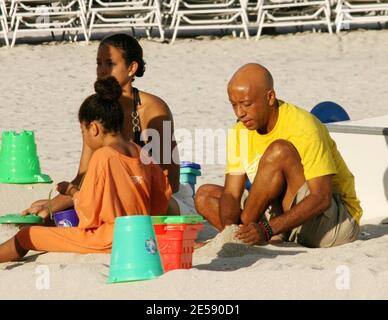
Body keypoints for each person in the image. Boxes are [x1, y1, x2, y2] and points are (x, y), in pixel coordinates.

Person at [22, 33, 194, 219]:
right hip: (115, 196)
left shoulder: (153, 109)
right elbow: (83, 175)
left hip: (163, 200)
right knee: (59, 216)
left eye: (110, 64)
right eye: (98, 63)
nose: (102, 70)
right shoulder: (96, 109)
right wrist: (52, 205)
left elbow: (171, 181)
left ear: (132, 68)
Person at [0, 77, 171, 262]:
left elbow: (89, 212)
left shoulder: (103, 156)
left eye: (83, 131)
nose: (84, 137)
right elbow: (162, 197)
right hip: (143, 235)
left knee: (27, 236)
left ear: (94, 128)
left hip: (111, 239)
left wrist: (72, 191)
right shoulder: (140, 152)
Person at [195, 63, 362, 248]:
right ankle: (242, 237)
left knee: (279, 151)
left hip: (332, 221)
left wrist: (266, 229)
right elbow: (231, 194)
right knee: (204, 196)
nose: (240, 113)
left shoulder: (304, 126)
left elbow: (321, 198)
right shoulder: (238, 132)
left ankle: (256, 235)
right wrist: (230, 230)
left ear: (270, 97)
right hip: (279, 218)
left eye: (247, 104)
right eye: (234, 105)